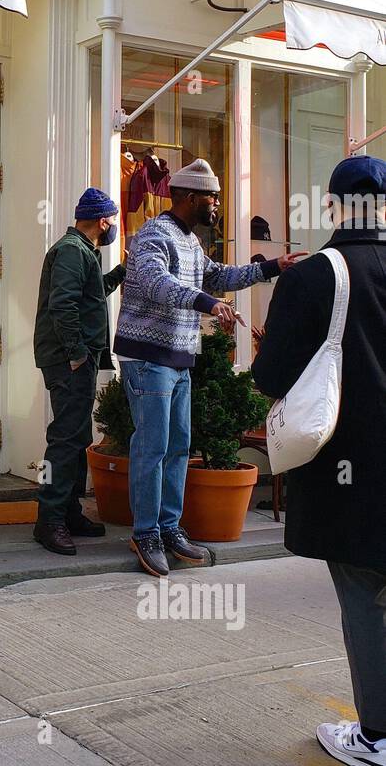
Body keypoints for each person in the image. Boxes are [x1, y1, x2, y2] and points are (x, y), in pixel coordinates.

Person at [252, 155, 386, 766]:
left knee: (363, 588)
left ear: (332, 206)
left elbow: (271, 377)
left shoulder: (314, 277)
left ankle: (378, 736)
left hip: (351, 471)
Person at [113, 157, 304, 578]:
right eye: (211, 197)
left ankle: (168, 527)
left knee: (179, 446)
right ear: (186, 196)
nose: (216, 204)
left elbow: (216, 276)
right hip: (147, 359)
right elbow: (154, 282)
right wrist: (207, 302)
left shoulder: (191, 242)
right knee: (153, 447)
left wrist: (273, 266)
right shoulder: (153, 235)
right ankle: (145, 533)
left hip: (178, 358)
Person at [33, 188, 125, 555]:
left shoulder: (81, 251)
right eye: (113, 219)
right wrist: (75, 354)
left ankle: (67, 512)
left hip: (77, 359)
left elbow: (90, 294)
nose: (114, 226)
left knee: (75, 436)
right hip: (69, 360)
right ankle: (49, 519)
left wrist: (119, 272)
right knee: (64, 439)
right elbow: (63, 305)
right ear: (103, 221)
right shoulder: (72, 251)